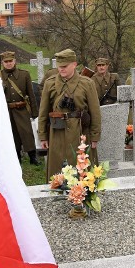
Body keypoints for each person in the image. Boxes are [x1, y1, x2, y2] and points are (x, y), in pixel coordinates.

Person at [38, 49, 101, 180]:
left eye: (65, 66)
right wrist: (43, 136)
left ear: (74, 64)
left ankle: (82, 194)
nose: (61, 69)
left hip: (80, 132)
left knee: (83, 170)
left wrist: (95, 137)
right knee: (57, 172)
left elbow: (95, 113)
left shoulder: (87, 84)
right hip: (56, 132)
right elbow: (43, 112)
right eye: (59, 67)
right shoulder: (50, 83)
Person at [0, 51, 40, 165]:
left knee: (27, 133)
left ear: (15, 61)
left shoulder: (24, 74)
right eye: (6, 62)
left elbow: (31, 94)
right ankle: (17, 157)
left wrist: (34, 112)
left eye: (10, 61)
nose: (8, 64)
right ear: (2, 63)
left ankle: (33, 157)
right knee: (13, 134)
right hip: (7, 110)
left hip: (22, 109)